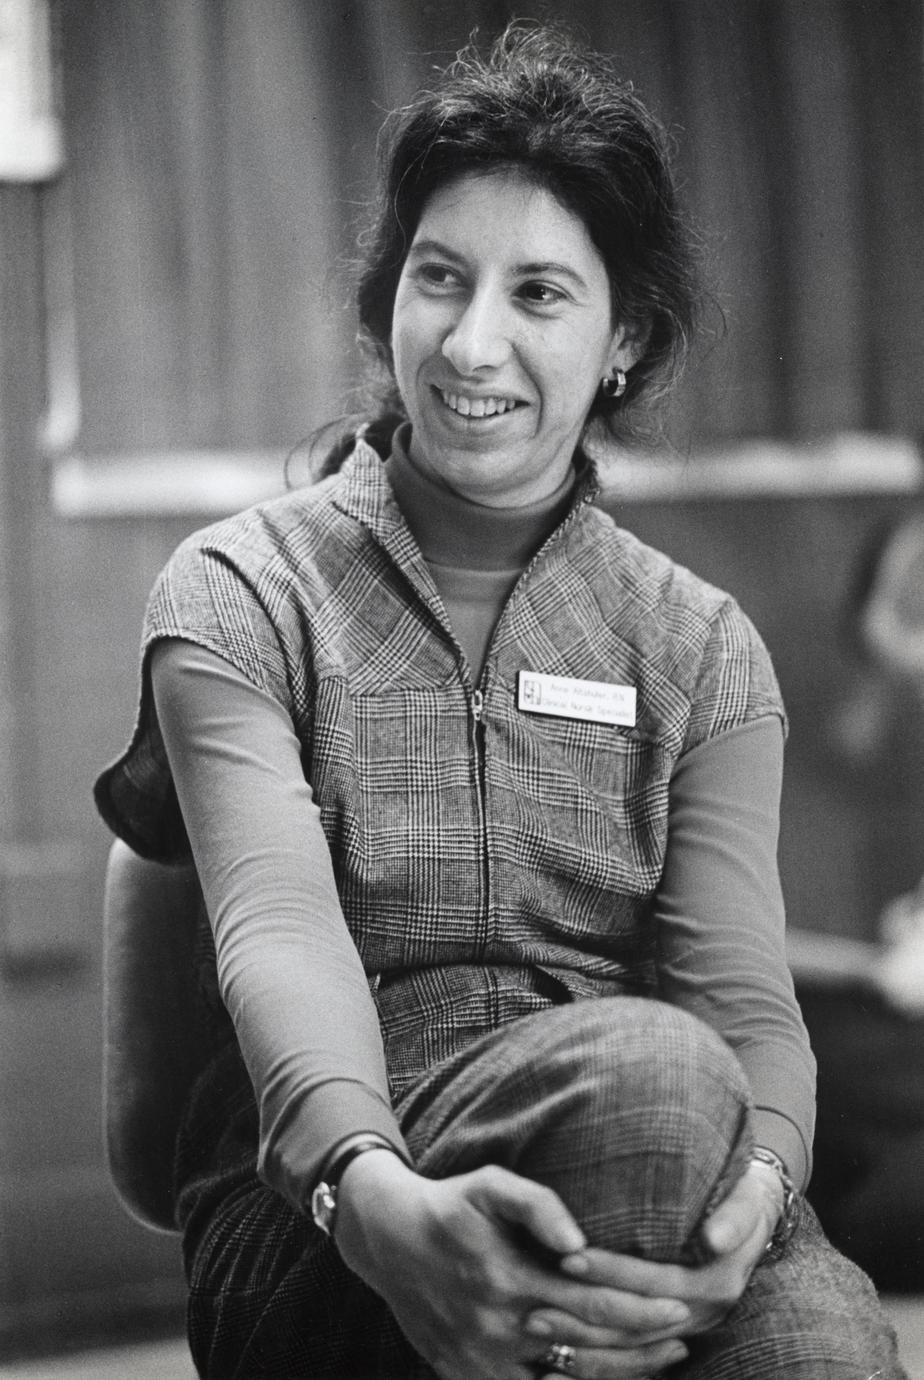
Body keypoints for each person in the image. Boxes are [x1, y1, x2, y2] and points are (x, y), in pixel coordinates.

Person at [94, 23, 904, 1380]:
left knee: (822, 1345)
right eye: (440, 278)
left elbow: (746, 999)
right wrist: (371, 1194)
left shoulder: (699, 647)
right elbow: (279, 932)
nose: (473, 344)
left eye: (538, 293)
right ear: (388, 302)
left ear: (624, 338)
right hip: (318, 1197)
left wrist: (757, 1198)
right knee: (657, 1077)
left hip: (665, 1161)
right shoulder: (243, 591)